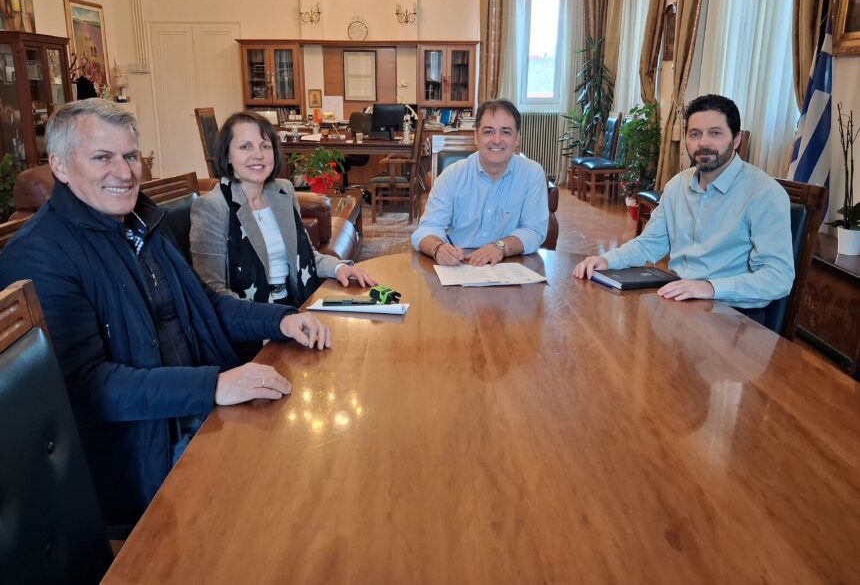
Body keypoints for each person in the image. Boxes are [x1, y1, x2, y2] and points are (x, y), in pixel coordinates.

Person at [0, 99, 332, 529]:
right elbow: (87, 385)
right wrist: (213, 385)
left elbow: (203, 304)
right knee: (295, 506)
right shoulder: (39, 254)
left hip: (202, 410)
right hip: (148, 450)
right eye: (102, 157)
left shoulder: (141, 223)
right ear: (60, 166)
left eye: (130, 156)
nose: (124, 172)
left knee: (320, 450)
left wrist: (281, 319)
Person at [573, 94, 794, 322]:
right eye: (695, 134)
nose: (703, 143)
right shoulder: (678, 185)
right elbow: (649, 244)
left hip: (733, 315)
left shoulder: (763, 193)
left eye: (715, 133)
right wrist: (608, 260)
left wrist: (710, 287)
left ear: (736, 139)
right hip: (678, 301)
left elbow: (778, 277)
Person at [190, 111, 374, 317]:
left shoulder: (283, 191)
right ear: (227, 155)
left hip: (297, 305)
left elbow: (305, 256)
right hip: (251, 320)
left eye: (265, 146)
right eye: (245, 147)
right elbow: (212, 292)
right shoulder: (212, 207)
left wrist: (339, 268)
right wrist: (278, 320)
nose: (258, 155)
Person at [411, 99, 549, 266]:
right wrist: (438, 248)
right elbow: (427, 229)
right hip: (459, 266)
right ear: (476, 137)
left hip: (509, 265)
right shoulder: (451, 176)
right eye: (488, 131)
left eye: (505, 132)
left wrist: (500, 247)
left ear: (517, 138)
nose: (496, 140)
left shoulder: (532, 174)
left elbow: (534, 231)